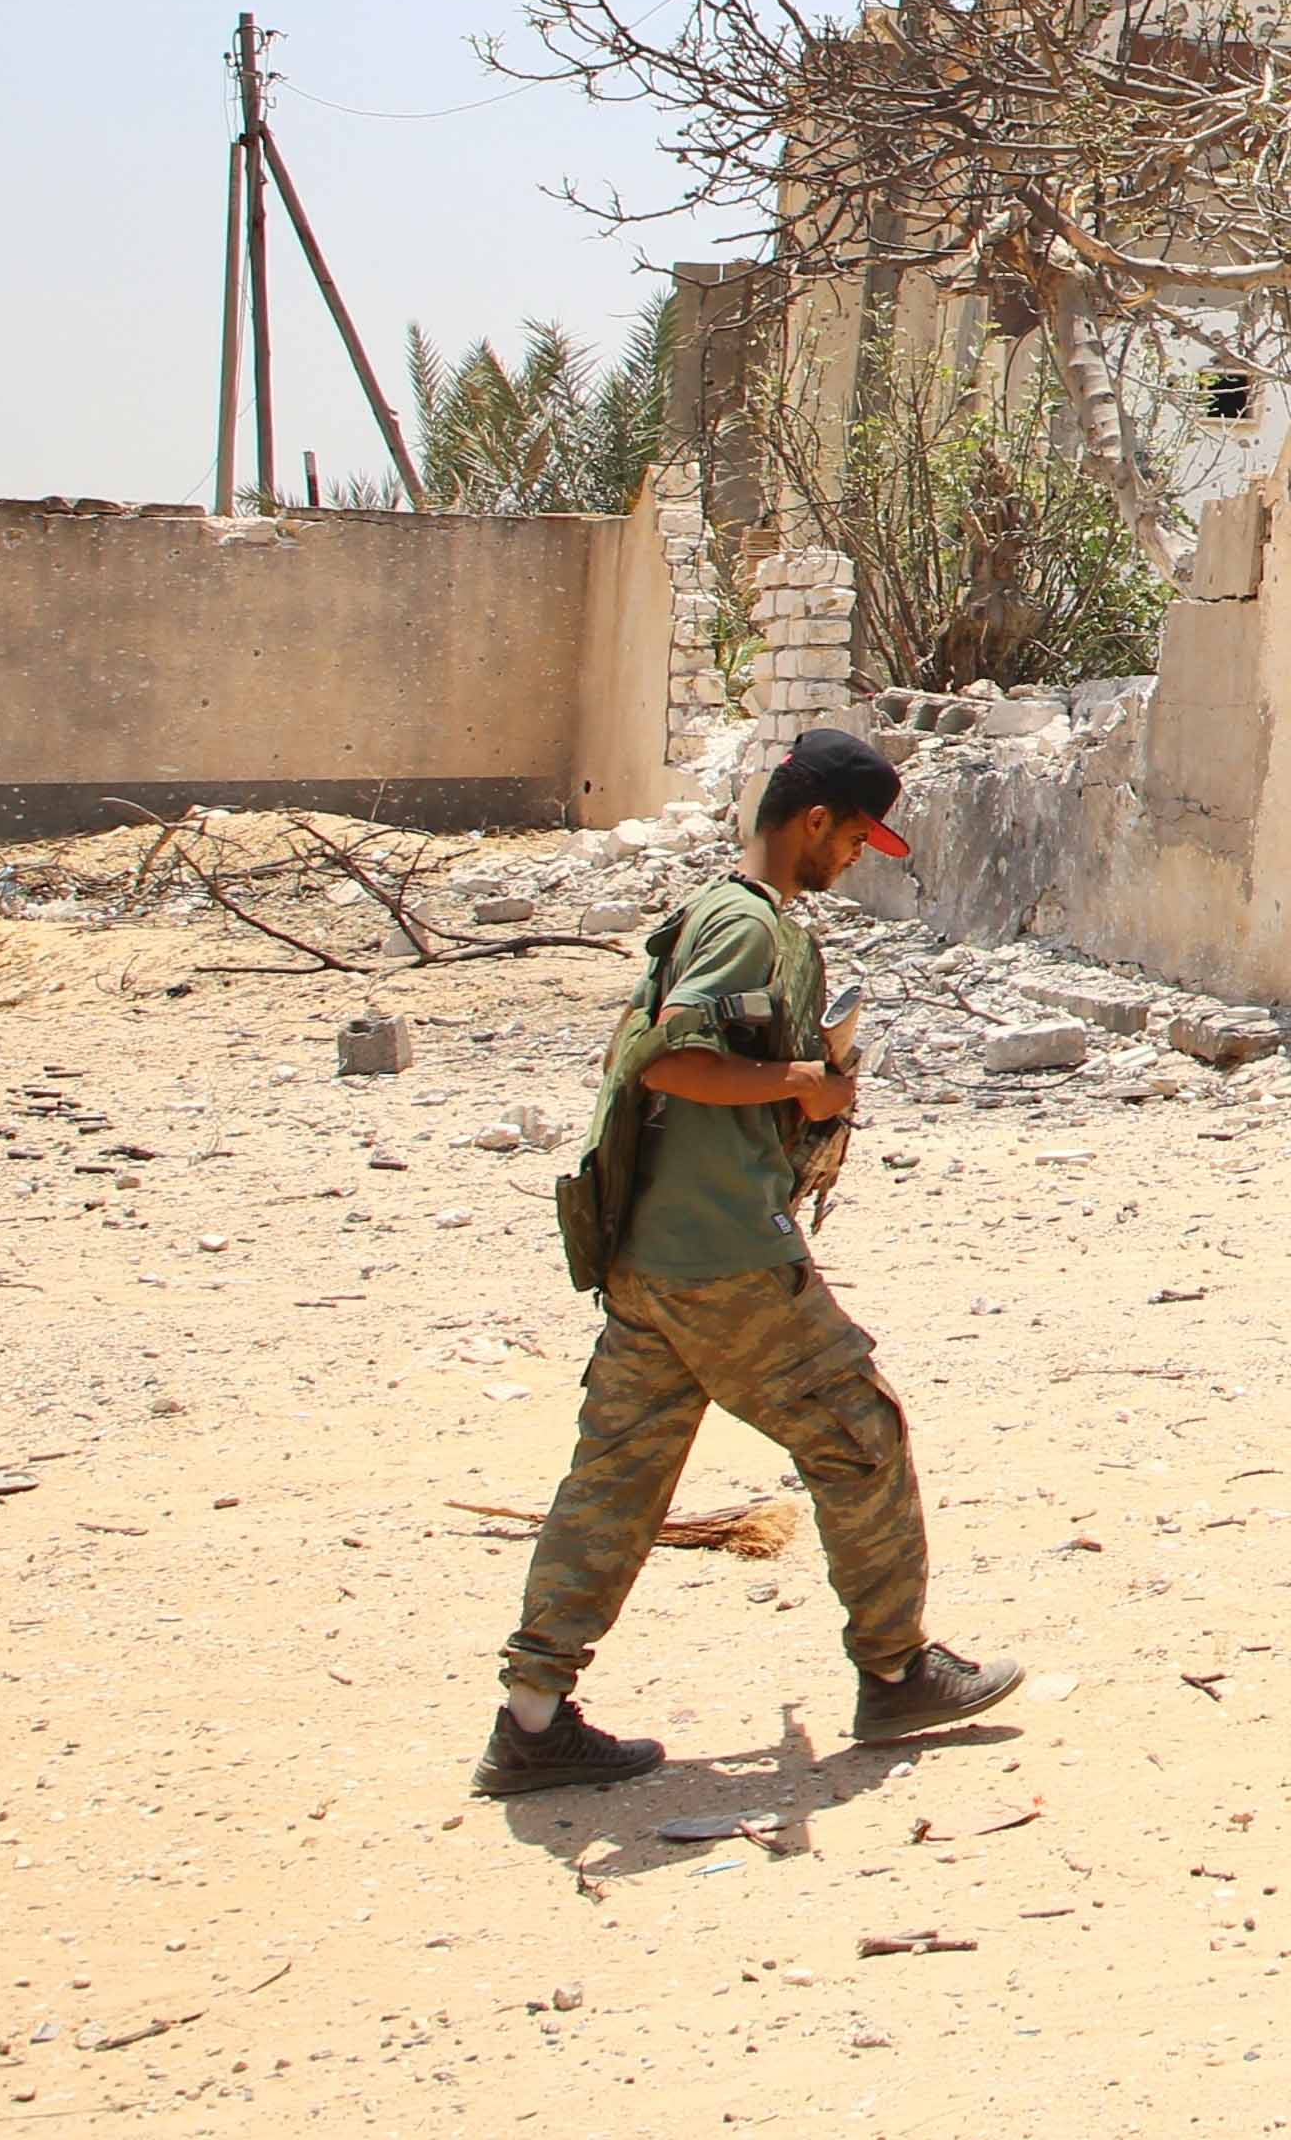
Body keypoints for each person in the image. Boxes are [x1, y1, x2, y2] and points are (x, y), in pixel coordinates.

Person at [476, 724, 1027, 1795]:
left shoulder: (722, 914)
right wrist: (803, 1090)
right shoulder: (746, 923)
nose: (856, 859)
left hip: (653, 1259)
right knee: (860, 1432)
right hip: (722, 1257)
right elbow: (675, 1061)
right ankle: (899, 1668)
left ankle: (533, 1715)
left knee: (616, 1481)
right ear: (815, 823)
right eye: (856, 839)